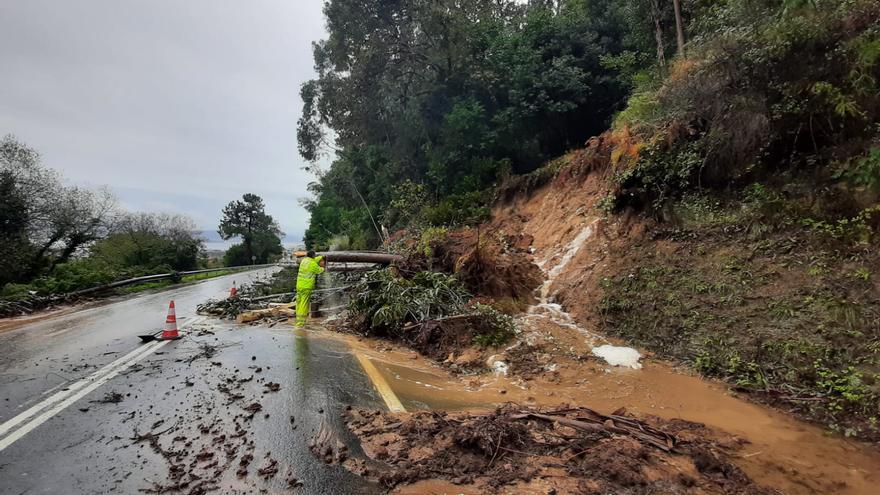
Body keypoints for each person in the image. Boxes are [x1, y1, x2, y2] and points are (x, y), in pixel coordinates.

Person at [295, 250, 325, 327]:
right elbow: (319, 270)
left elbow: (314, 260)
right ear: (313, 256)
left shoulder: (304, 260)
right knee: (304, 305)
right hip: (306, 287)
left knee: (299, 302)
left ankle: (297, 320)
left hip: (299, 285)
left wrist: (321, 257)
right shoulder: (312, 264)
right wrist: (323, 267)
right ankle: (300, 323)